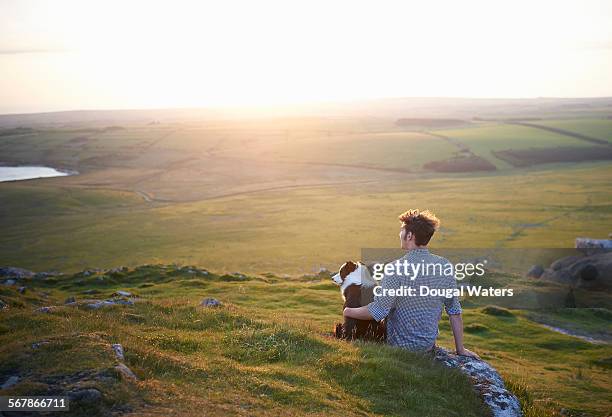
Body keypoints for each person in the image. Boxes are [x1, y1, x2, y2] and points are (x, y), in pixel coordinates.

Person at [343, 209, 479, 358]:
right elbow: (454, 311)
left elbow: (379, 311)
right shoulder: (445, 266)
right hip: (427, 346)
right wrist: (460, 349)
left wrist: (348, 311)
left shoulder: (395, 268)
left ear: (409, 235)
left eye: (402, 230)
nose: (399, 234)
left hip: (398, 346)